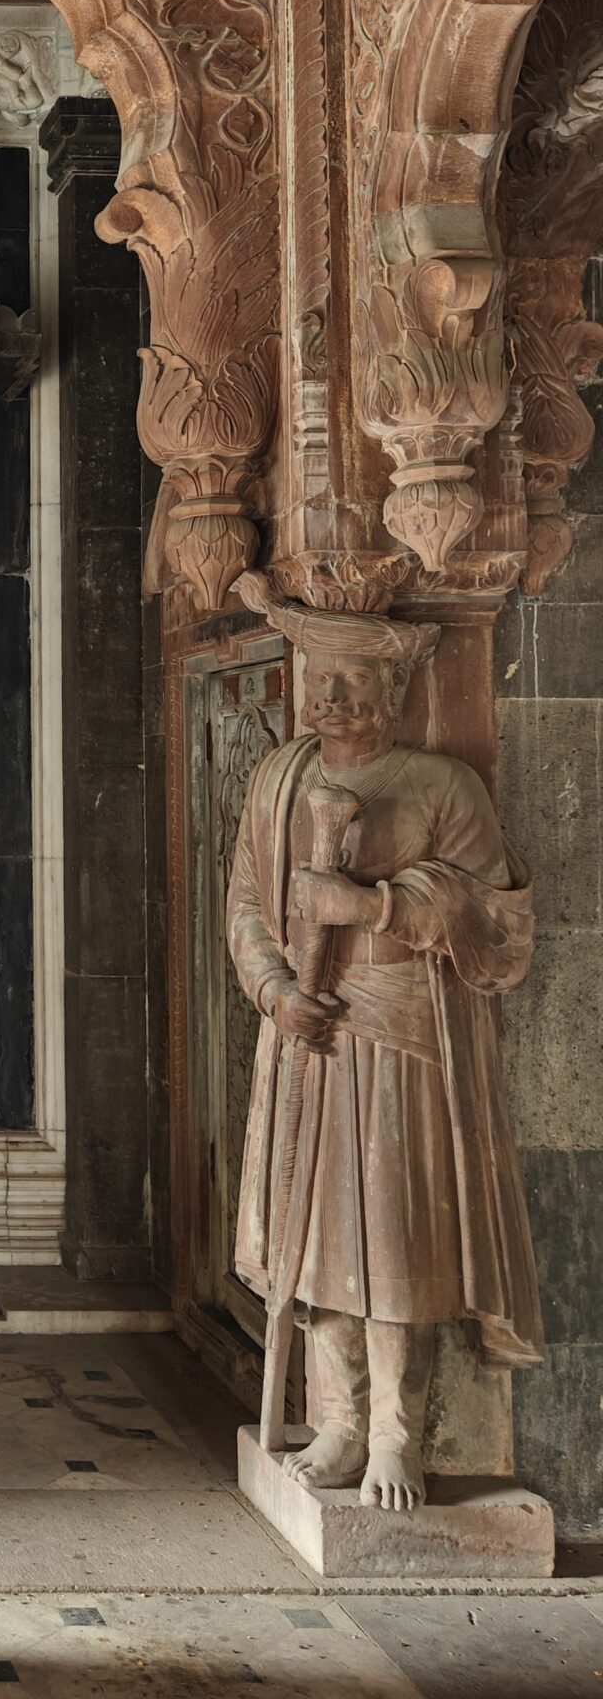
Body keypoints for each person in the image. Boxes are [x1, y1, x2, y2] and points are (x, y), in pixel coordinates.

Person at [227, 574, 542, 1513]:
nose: (332, 696)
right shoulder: (279, 780)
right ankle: (338, 1423)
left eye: (354, 680)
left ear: (392, 692)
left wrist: (375, 904)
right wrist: (276, 990)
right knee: (316, 1241)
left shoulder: (440, 786)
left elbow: (498, 918)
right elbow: (247, 906)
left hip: (403, 1031)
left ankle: (398, 1436)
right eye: (319, 675)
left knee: (394, 1240)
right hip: (307, 1032)